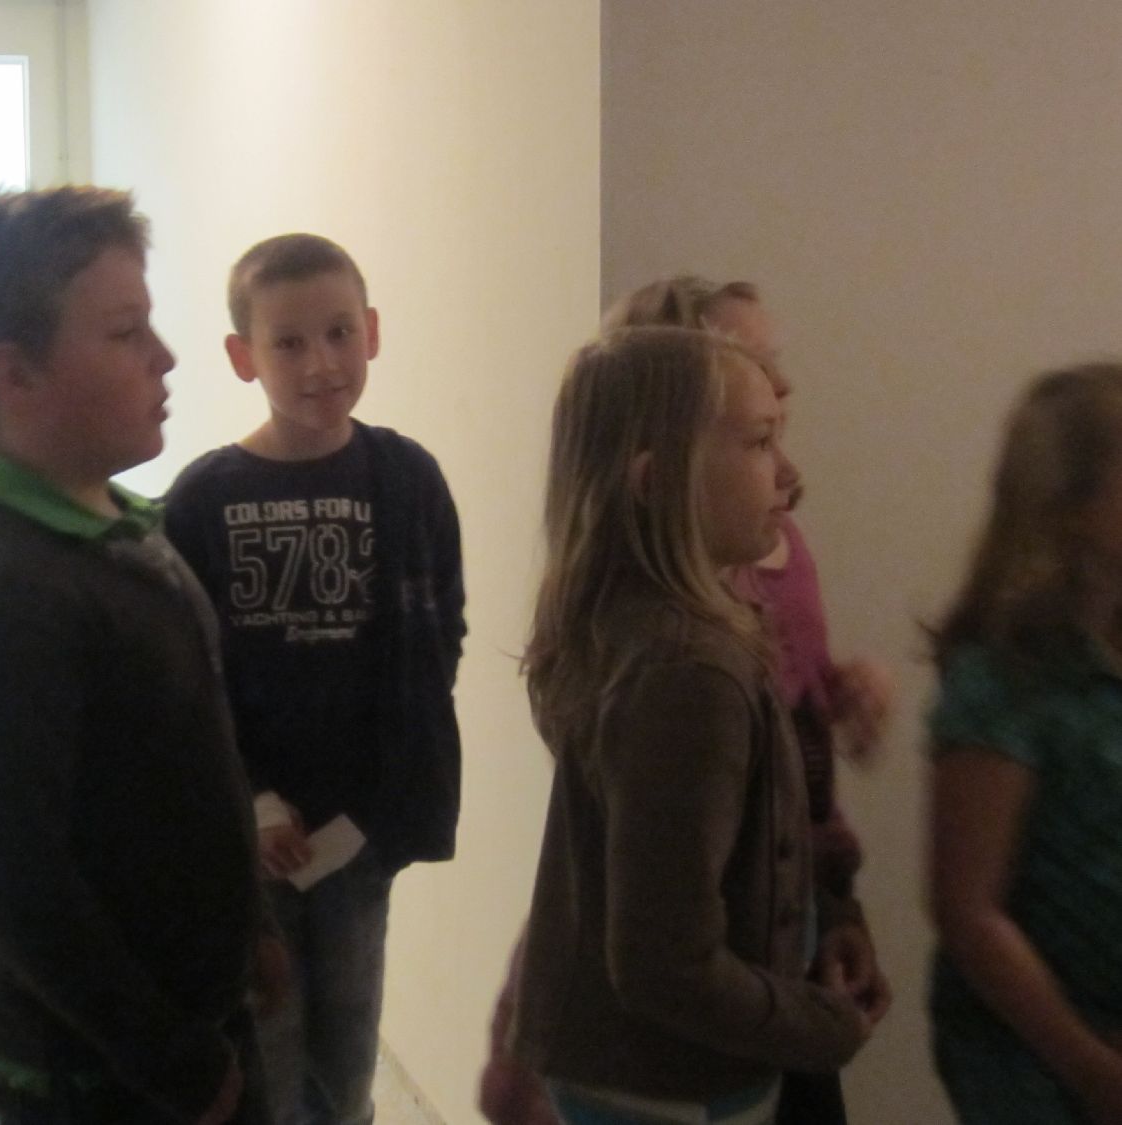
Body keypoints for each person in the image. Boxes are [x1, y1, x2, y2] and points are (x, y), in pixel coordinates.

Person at [0, 185, 279, 1125]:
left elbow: (191, 763)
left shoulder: (122, 528)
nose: (165, 356)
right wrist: (175, 1063)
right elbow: (20, 882)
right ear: (14, 375)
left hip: (190, 1016)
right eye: (124, 332)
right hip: (94, 1070)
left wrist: (252, 930)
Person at [479, 279, 891, 1125]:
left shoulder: (639, 626)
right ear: (658, 478)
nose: (791, 472)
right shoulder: (688, 670)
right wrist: (820, 1025)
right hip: (670, 1079)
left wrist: (831, 908)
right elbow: (663, 956)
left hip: (650, 1060)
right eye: (760, 440)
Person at [164, 233, 464, 1125]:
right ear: (242, 355)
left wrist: (369, 806)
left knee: (348, 1033)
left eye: (339, 333)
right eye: (288, 342)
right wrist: (253, 798)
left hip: (363, 829)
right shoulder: (202, 499)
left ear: (372, 331)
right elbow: (186, 676)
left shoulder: (407, 479)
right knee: (269, 1037)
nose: (321, 363)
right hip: (252, 838)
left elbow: (438, 636)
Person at [927, 363, 1122, 1124]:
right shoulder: (1006, 675)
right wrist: (1093, 1069)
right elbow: (969, 909)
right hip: (1037, 1063)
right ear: (1071, 507)